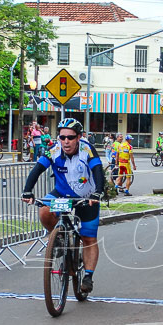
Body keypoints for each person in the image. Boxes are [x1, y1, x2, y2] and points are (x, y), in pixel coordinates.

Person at [21, 118, 105, 294]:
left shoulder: (87, 149)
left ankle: (88, 276)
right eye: (62, 137)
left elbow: (98, 171)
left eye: (71, 137)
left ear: (79, 137)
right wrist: (27, 191)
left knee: (88, 238)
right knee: (44, 209)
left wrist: (98, 193)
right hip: (62, 193)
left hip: (87, 196)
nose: (66, 141)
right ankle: (58, 239)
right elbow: (37, 170)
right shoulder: (54, 151)